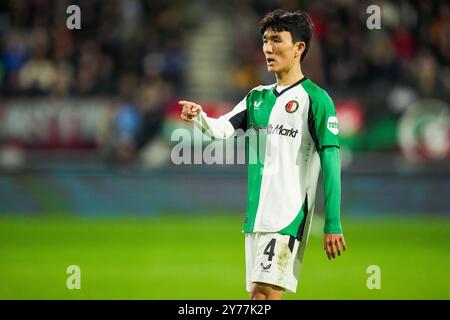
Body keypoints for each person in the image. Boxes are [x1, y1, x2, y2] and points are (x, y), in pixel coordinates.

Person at [179, 9, 347, 300]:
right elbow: (222, 129)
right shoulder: (256, 97)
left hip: (287, 216)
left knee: (261, 297)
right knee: (263, 297)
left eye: (277, 40)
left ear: (299, 48)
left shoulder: (316, 100)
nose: (268, 48)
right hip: (256, 217)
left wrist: (332, 222)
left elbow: (331, 162)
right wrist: (199, 117)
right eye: (266, 40)